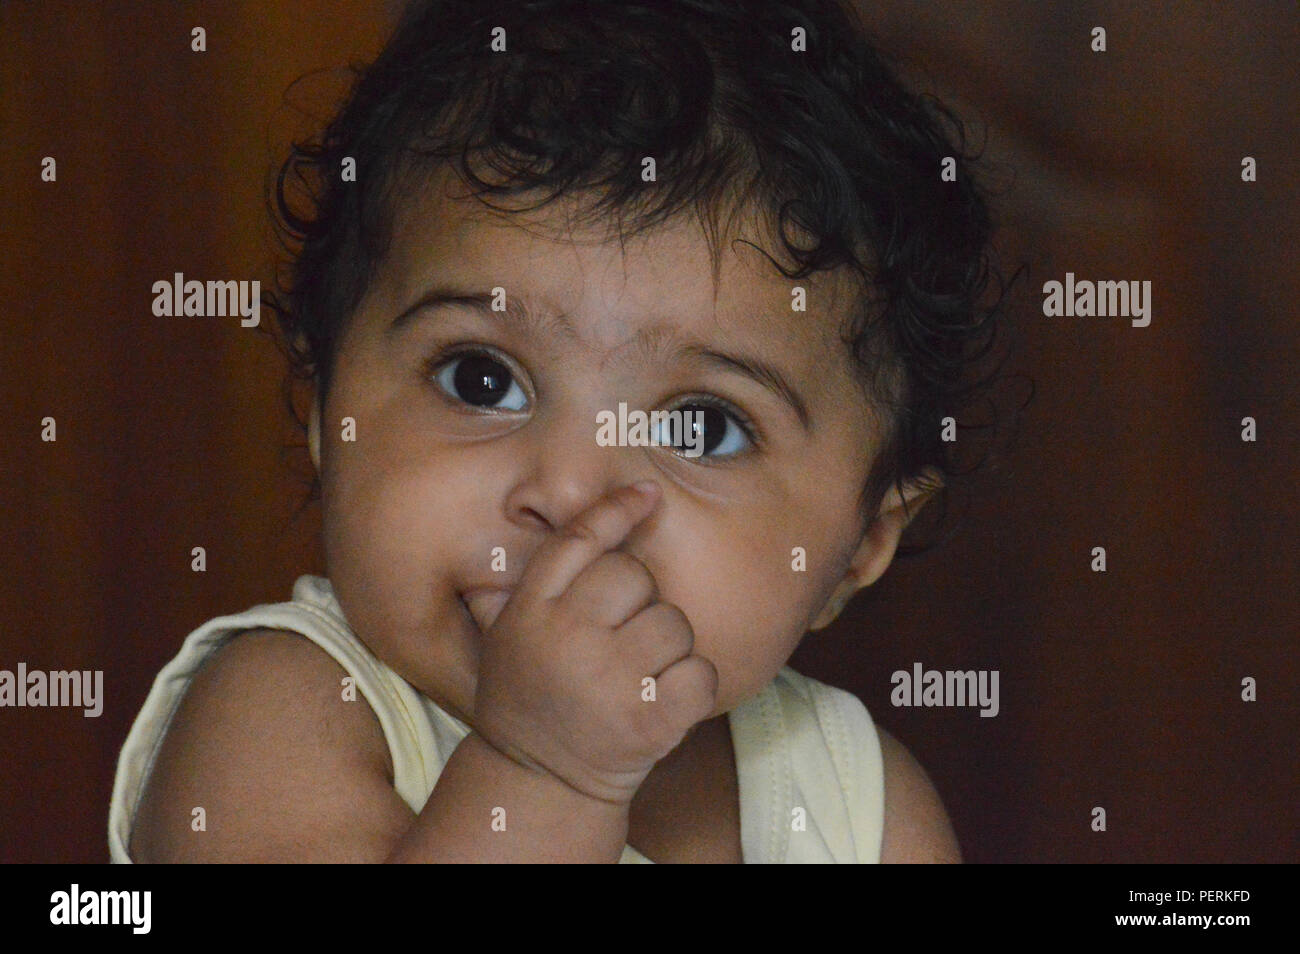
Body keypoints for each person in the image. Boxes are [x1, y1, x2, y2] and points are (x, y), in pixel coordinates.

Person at [110, 0, 1010, 863]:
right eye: (482, 379)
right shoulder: (284, 713)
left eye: (703, 426)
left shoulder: (859, 802)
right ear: (324, 408)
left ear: (859, 545)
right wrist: (545, 775)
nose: (570, 490)